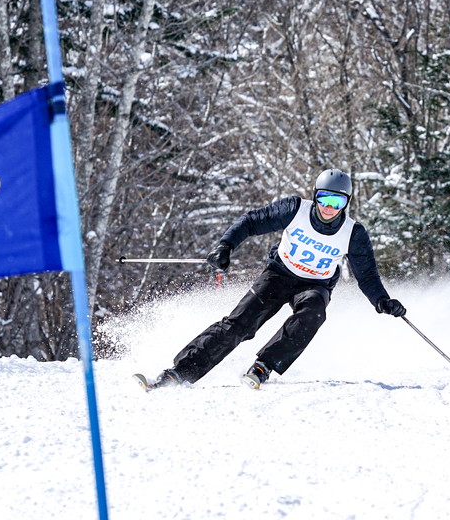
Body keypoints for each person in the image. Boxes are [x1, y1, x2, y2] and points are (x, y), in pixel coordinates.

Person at [135, 168, 406, 391]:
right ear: (315, 195)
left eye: (336, 202)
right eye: (323, 199)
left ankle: (263, 366)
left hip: (315, 285)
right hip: (278, 274)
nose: (328, 208)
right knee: (239, 324)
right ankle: (179, 372)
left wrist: (381, 300)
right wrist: (225, 246)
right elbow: (252, 221)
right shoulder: (295, 209)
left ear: (346, 203)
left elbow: (366, 274)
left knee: (313, 313)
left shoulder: (353, 233)